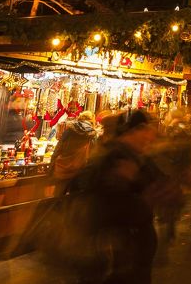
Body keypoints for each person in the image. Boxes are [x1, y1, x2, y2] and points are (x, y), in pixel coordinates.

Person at [68, 109, 172, 284]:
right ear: (135, 130)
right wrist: (144, 200)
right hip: (114, 257)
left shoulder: (139, 158)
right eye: (148, 129)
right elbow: (105, 203)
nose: (152, 135)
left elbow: (163, 184)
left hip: (131, 255)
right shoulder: (114, 158)